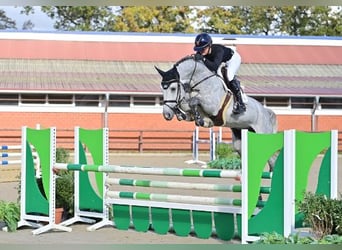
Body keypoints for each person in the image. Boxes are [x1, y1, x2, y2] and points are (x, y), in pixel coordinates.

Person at [193, 33, 246, 114]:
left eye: (203, 48)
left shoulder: (218, 50)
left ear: (209, 45)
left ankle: (241, 102)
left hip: (232, 59)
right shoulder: (201, 53)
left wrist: (203, 59)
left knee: (229, 75)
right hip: (220, 62)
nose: (201, 51)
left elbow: (214, 67)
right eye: (199, 49)